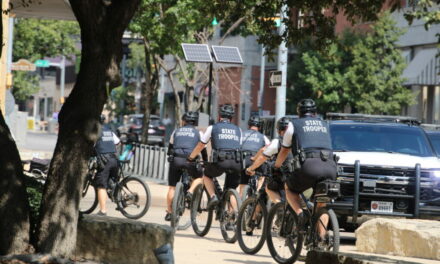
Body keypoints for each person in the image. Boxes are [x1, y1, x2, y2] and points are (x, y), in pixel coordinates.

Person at [274, 99, 337, 236]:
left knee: (290, 189)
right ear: (315, 113)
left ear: (299, 113)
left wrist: (276, 166)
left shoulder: (294, 124)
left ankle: (299, 213)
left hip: (309, 167)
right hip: (330, 167)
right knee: (321, 204)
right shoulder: (325, 124)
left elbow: (284, 150)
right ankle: (321, 241)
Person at [188, 104, 242, 209]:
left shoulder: (213, 128)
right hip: (236, 162)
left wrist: (191, 157)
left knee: (207, 175)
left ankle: (213, 196)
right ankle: (232, 217)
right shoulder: (238, 129)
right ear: (231, 118)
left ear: (219, 116)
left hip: (221, 161)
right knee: (232, 190)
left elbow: (201, 144)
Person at [164, 111, 205, 221]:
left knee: (172, 187)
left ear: (183, 121)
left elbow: (170, 149)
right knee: (200, 179)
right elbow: (202, 148)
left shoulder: (176, 131)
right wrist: (204, 162)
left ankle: (169, 211)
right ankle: (190, 192)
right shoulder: (198, 133)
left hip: (176, 160)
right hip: (190, 161)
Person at [246, 117, 293, 204]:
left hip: (285, 174)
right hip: (299, 173)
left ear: (279, 130)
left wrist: (251, 168)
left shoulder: (278, 142)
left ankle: (280, 207)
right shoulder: (298, 140)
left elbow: (263, 155)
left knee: (269, 188)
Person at [94, 114, 121, 216]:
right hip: (114, 159)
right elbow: (118, 142)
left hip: (105, 160)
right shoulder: (109, 130)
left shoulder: (96, 132)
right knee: (112, 181)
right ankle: (118, 198)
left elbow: (90, 146)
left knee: (101, 185)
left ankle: (103, 210)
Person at [239, 115, 270, 198]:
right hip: (257, 160)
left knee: (242, 183)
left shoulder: (242, 134)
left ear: (249, 126)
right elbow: (269, 147)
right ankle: (258, 192)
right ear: (259, 127)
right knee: (262, 176)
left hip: (244, 159)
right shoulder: (263, 136)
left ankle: (241, 203)